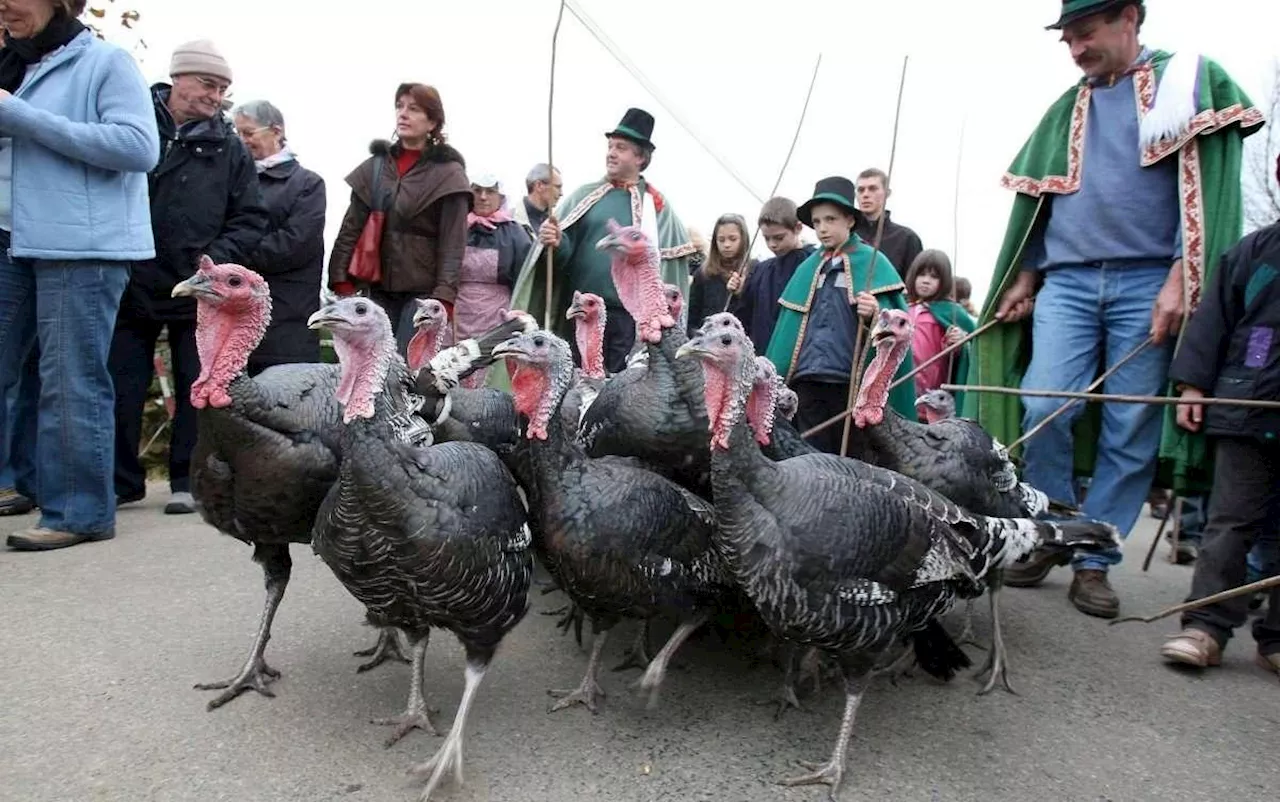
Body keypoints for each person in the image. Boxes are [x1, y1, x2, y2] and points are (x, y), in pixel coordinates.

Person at [964, 0, 1263, 618]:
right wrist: (1024, 276)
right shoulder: (1067, 108)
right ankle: (1050, 533)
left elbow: (1204, 190)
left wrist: (1183, 275)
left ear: (1130, 17)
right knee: (1045, 403)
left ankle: (1095, 559)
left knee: (1128, 425)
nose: (1076, 50)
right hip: (1067, 284)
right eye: (1068, 39)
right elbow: (1038, 207)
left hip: (1148, 279)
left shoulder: (1186, 85)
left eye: (1086, 33)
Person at [0, 0, 159, 550]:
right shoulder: (13, 63)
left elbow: (139, 147)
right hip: (11, 238)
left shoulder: (107, 62)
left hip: (80, 246)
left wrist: (19, 118)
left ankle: (80, 512)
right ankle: (17, 484)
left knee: (70, 380)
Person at [110, 39, 268, 517]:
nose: (215, 95)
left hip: (198, 287)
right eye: (207, 83)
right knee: (120, 383)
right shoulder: (135, 123)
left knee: (196, 383)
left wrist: (213, 264)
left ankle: (187, 479)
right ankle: (120, 482)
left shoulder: (231, 149)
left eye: (222, 88)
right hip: (129, 275)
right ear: (177, 78)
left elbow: (250, 217)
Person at [1158, 216, 1280, 676]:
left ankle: (1277, 640)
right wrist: (1192, 386)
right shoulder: (1252, 253)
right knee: (1229, 521)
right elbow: (1213, 320)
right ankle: (1206, 625)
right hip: (1246, 405)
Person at [510, 108, 696, 372]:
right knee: (575, 385)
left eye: (621, 147)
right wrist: (556, 242)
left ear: (641, 157)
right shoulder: (584, 197)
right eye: (610, 146)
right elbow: (563, 257)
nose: (611, 153)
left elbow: (670, 275)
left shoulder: (658, 208)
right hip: (581, 313)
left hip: (627, 324)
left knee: (617, 395)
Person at [764, 176, 915, 454]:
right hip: (807, 378)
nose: (822, 228)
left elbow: (897, 326)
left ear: (850, 220)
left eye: (831, 219)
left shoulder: (873, 263)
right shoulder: (808, 267)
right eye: (817, 221)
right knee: (810, 452)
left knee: (853, 454)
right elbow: (789, 330)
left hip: (850, 381)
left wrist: (874, 315)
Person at [327, 83, 470, 352]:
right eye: (399, 106)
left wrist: (444, 298)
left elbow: (453, 244)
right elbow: (351, 228)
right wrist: (340, 278)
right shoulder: (376, 167)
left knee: (406, 371)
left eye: (414, 109)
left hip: (422, 294)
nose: (403, 114)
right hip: (376, 288)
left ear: (432, 122)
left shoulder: (449, 174)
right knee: (368, 368)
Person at [232, 100, 327, 373]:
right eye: (237, 134)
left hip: (287, 317)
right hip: (236, 318)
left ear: (275, 131)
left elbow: (294, 243)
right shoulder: (234, 181)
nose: (242, 141)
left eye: (248, 133)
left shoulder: (307, 184)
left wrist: (234, 256)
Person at [454, 171, 532, 387]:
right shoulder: (454, 228)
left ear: (501, 196)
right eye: (477, 191)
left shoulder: (516, 233)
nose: (483, 197)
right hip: (458, 314)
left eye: (490, 191)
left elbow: (525, 280)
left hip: (496, 315)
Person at [728, 196, 816, 355]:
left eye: (779, 237)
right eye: (766, 238)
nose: (772, 244)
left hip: (801, 356)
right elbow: (743, 319)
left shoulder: (813, 262)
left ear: (797, 228)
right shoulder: (761, 270)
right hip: (761, 354)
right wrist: (739, 294)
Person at [904, 249, 974, 409]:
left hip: (932, 384)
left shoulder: (952, 311)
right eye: (921, 275)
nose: (926, 281)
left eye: (933, 277)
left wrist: (958, 342)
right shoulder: (903, 306)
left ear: (944, 282)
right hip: (903, 380)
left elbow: (972, 342)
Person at [686, 213, 752, 337]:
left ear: (743, 239)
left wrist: (742, 292)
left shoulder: (754, 270)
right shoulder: (704, 273)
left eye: (733, 239)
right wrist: (698, 336)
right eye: (721, 240)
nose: (726, 245)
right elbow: (692, 315)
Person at [854, 167, 922, 278]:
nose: (865, 194)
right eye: (861, 190)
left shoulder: (907, 238)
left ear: (887, 193)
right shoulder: (847, 236)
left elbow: (914, 285)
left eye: (872, 188)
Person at [512, 162, 561, 237]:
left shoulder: (556, 225)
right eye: (557, 187)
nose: (561, 193)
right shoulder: (509, 221)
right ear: (539, 186)